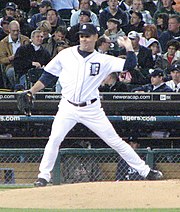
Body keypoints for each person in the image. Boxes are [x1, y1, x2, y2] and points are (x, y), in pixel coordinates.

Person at [25, 23, 163, 186]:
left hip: (91, 109)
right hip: (67, 107)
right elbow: (47, 76)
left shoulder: (102, 59)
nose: (84, 39)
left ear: (95, 38)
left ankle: (146, 171)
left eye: (87, 36)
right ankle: (43, 176)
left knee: (115, 141)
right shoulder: (66, 54)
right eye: (82, 36)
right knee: (54, 139)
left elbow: (129, 65)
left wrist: (129, 48)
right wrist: (31, 91)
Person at [0, 20, 30, 90]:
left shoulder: (25, 40)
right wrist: (10, 58)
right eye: (13, 31)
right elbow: (1, 59)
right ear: (9, 30)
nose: (16, 33)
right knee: (11, 72)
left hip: (25, 64)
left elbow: (30, 53)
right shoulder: (3, 43)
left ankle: (24, 89)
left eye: (17, 30)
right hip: (11, 65)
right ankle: (16, 88)